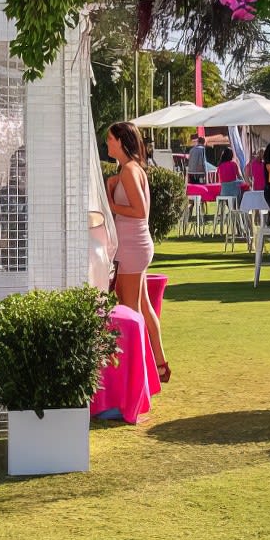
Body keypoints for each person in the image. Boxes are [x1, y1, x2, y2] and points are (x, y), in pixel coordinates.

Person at [105, 121, 167, 381]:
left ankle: (140, 377)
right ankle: (159, 366)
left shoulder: (130, 170)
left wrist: (110, 203)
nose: (107, 143)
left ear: (120, 141)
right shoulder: (131, 169)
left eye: (109, 139)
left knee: (131, 312)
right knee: (142, 306)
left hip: (132, 247)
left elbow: (140, 212)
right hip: (136, 246)